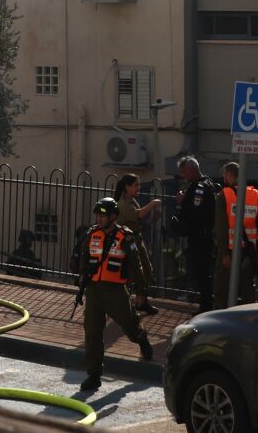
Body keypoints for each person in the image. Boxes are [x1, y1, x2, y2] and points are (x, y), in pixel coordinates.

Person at [74, 197, 156, 395]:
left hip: (116, 291)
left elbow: (136, 266)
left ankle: (142, 339)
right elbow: (84, 260)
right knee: (92, 333)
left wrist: (140, 291)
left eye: (103, 215)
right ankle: (94, 374)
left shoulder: (124, 237)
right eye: (97, 215)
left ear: (113, 216)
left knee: (129, 325)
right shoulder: (92, 234)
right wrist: (81, 280)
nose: (99, 219)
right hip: (94, 291)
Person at [213, 160, 258, 307]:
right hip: (249, 252)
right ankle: (247, 323)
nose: (224, 179)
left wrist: (224, 252)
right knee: (248, 292)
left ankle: (219, 324)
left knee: (222, 291)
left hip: (230, 251)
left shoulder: (223, 196)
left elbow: (221, 228)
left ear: (229, 175)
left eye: (225, 176)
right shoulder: (256, 195)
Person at [171, 155, 218, 311]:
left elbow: (196, 214)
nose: (183, 175)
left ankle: (206, 308)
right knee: (201, 273)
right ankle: (205, 304)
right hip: (202, 236)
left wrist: (182, 202)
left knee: (202, 274)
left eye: (184, 172)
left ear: (192, 170)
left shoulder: (199, 187)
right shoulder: (207, 183)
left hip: (200, 237)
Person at [115, 172, 160, 314]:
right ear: (127, 187)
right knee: (135, 272)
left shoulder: (132, 201)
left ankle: (142, 301)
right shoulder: (122, 204)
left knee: (147, 269)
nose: (138, 188)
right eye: (136, 185)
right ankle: (129, 304)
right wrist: (152, 204)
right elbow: (138, 215)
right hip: (129, 242)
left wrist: (153, 220)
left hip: (136, 239)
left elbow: (139, 223)